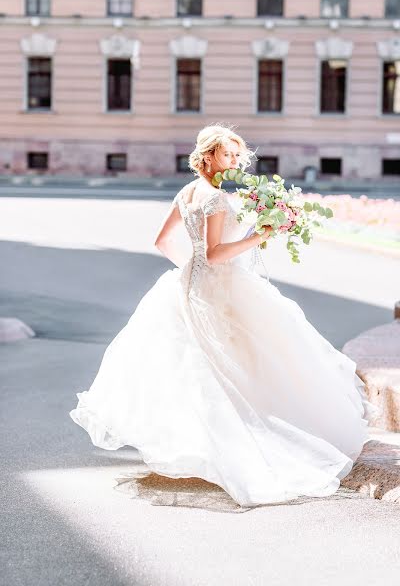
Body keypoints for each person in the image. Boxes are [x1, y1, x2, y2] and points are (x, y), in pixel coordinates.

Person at [69, 123, 378, 508]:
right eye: (227, 154)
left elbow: (163, 242)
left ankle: (203, 447)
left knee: (202, 365)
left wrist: (190, 271)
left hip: (190, 285)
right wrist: (257, 237)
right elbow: (215, 254)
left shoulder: (187, 191)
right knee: (239, 363)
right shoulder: (215, 199)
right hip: (220, 286)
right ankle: (240, 448)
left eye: (237, 155)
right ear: (209, 155)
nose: (233, 161)